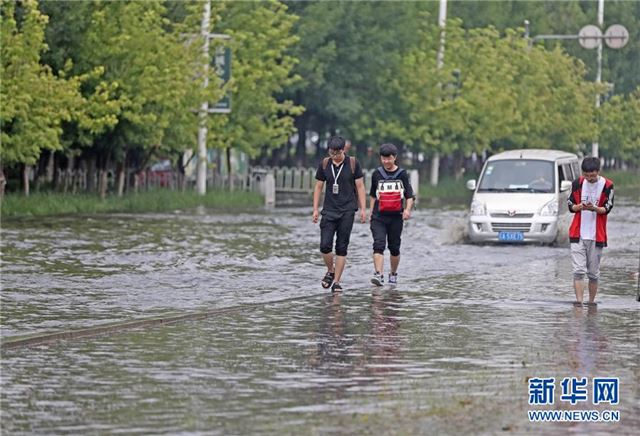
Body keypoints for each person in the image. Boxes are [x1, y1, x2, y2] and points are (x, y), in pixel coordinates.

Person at [312, 136, 366, 292]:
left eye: (336, 152)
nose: (333, 155)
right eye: (331, 152)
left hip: (347, 210)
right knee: (325, 246)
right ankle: (330, 270)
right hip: (329, 210)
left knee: (342, 247)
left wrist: (363, 209)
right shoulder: (324, 164)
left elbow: (361, 187)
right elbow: (318, 187)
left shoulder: (353, 164)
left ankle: (336, 282)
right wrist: (315, 209)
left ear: (343, 150)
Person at [567, 157, 614, 304]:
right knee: (578, 272)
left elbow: (607, 208)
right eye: (586, 175)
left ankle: (591, 303)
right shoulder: (577, 184)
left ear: (598, 172)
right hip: (577, 234)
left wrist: (595, 208)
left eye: (592, 176)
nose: (589, 179)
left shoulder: (607, 185)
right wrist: (579, 207)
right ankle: (579, 304)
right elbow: (570, 205)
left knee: (593, 274)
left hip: (596, 235)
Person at [368, 143, 415, 286]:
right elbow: (373, 195)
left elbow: (409, 195)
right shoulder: (376, 174)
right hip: (379, 216)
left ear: (395, 158)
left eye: (389, 159)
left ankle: (393, 273)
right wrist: (371, 213)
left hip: (396, 216)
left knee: (394, 248)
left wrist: (407, 210)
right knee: (378, 244)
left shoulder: (402, 174)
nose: (386, 161)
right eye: (383, 159)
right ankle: (378, 274)